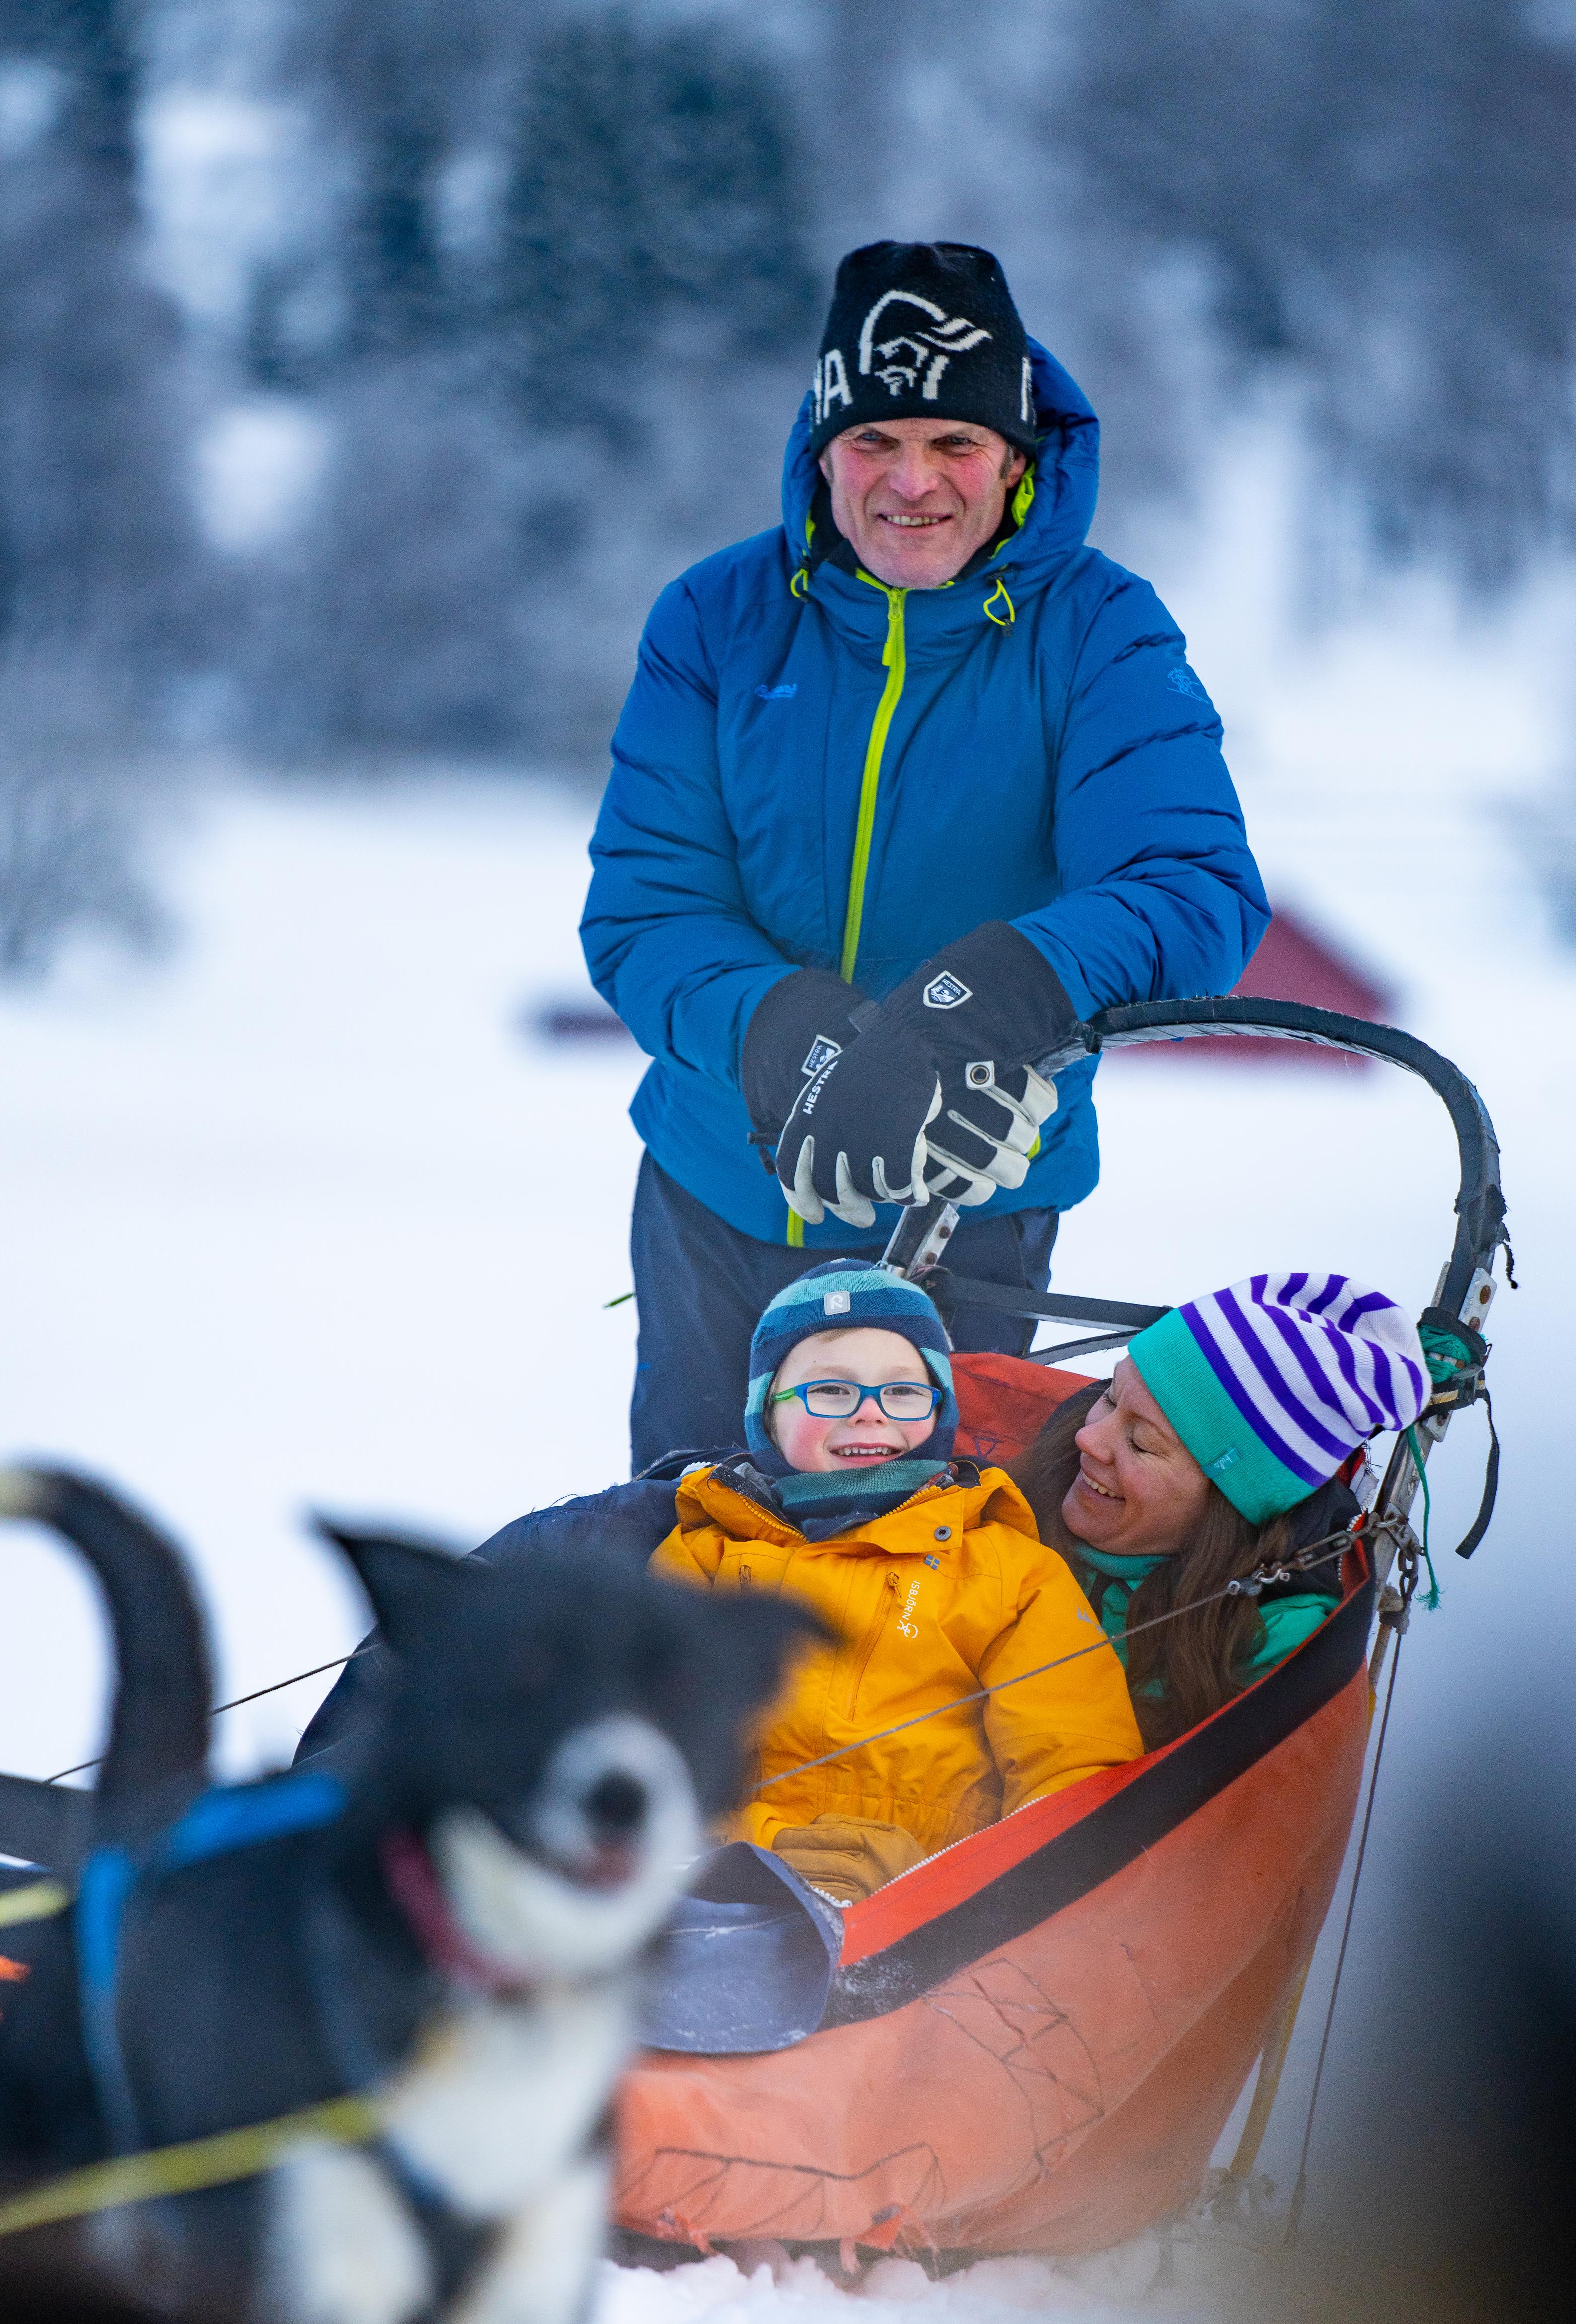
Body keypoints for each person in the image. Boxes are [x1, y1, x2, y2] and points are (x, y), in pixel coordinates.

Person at [583, 238, 1269, 1473]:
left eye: (954, 444)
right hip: (714, 1206)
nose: (913, 483)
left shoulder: (1101, 628)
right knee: (689, 1573)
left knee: (929, 1599)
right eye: (876, 443)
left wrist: (980, 993)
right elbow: (645, 908)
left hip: (969, 1214)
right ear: (822, 449)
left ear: (1016, 459)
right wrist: (790, 1029)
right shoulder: (714, 617)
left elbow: (1191, 887)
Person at [650, 1259, 1142, 1902]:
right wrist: (749, 1852)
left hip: (935, 1925)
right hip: (725, 1902)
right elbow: (643, 1752)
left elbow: (1074, 1769)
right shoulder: (705, 1558)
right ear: (766, 1411)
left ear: (940, 1412)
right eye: (830, 1390)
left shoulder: (1006, 1569)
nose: (870, 1415)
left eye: (904, 1392)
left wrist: (955, 1893)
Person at [1011, 1275, 1434, 1746]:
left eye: (1142, 1443)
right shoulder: (1015, 1487)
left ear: (1229, 1504)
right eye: (1109, 1397)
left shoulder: (1276, 1650)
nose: (1087, 1439)